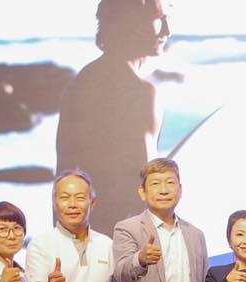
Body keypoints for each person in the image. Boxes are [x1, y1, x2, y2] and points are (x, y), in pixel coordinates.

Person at [56, 0, 170, 236]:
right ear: (130, 21)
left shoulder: (80, 83)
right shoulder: (140, 92)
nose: (167, 31)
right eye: (159, 19)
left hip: (86, 232)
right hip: (126, 238)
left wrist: (62, 240)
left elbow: (63, 177)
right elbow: (146, 187)